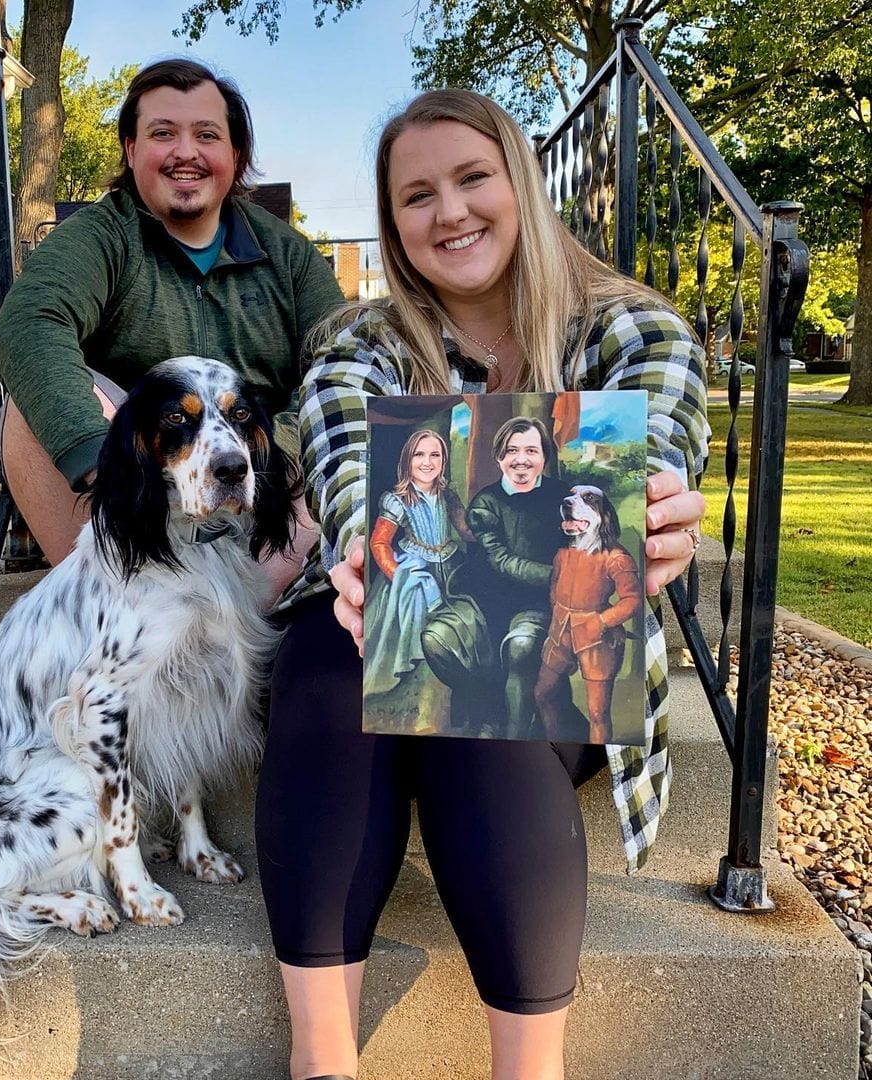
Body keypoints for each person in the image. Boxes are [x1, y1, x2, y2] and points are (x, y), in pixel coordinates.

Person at [256, 88, 709, 1080]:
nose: (449, 211)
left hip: (565, 655)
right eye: (417, 196)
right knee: (337, 653)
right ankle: (322, 1065)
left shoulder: (633, 331)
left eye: (471, 178)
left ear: (521, 184)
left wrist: (661, 512)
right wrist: (365, 545)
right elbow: (342, 473)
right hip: (380, 633)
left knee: (488, 675)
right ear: (393, 224)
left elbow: (662, 446)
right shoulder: (357, 346)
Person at [0, 58, 343, 598]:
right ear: (132, 150)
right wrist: (102, 461)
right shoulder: (102, 237)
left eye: (207, 134)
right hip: (133, 498)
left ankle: (253, 607)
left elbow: (337, 365)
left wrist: (272, 449)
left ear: (236, 155)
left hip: (259, 483)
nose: (186, 152)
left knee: (340, 442)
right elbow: (31, 320)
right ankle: (115, 601)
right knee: (25, 409)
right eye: (163, 134)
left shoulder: (290, 256)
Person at [466, 416, 570, 739]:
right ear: (499, 457)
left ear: (543, 458)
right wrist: (558, 575)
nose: (521, 459)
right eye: (512, 450)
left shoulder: (564, 497)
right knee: (486, 654)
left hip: (543, 602)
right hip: (492, 599)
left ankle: (520, 734)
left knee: (523, 650)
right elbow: (501, 560)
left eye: (531, 450)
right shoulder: (485, 503)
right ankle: (495, 725)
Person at [364, 427, 473, 707]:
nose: (427, 462)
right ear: (406, 461)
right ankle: (415, 685)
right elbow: (379, 543)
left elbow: (466, 530)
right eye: (419, 455)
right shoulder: (397, 499)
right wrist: (400, 576)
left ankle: (454, 681)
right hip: (415, 568)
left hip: (451, 564)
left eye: (435, 455)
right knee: (416, 623)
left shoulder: (448, 495)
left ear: (443, 460)